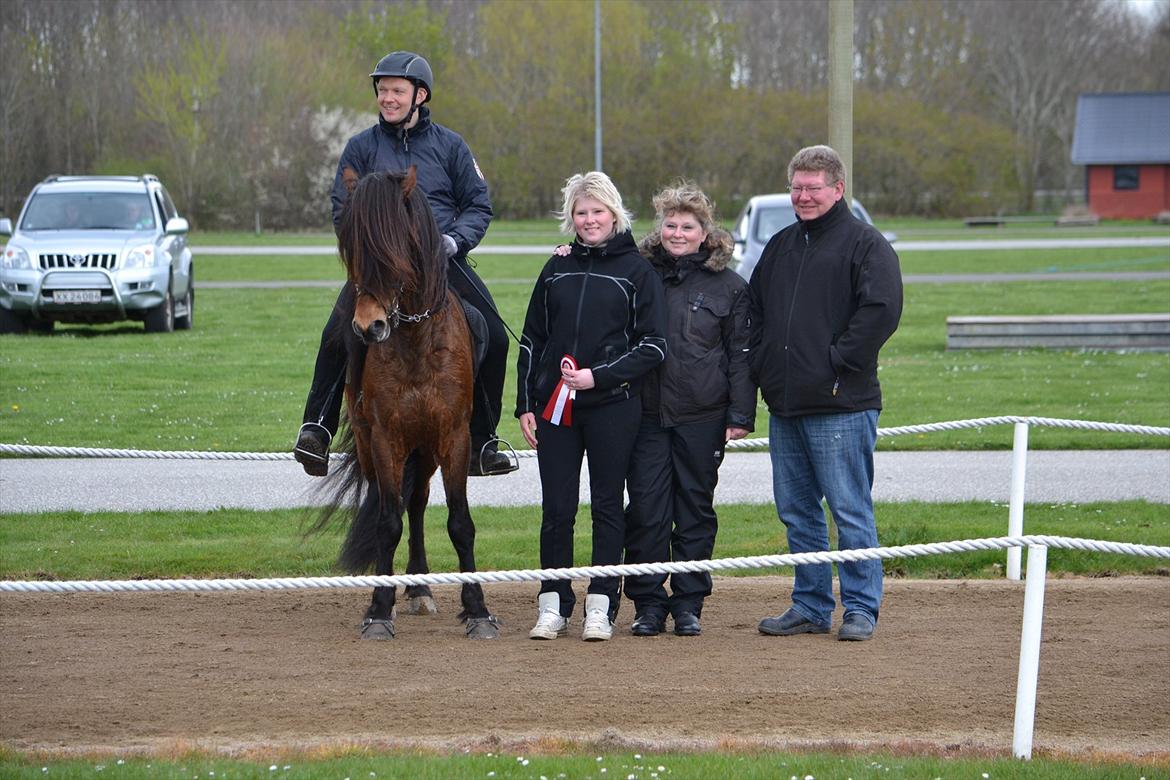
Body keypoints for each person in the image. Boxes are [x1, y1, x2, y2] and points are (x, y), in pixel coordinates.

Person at [293, 51, 515, 478]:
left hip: (441, 264)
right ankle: (317, 428)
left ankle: (483, 441)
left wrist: (454, 240)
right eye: (382, 91)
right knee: (337, 332)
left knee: (496, 337)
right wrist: (371, 248)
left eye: (396, 91)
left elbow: (478, 205)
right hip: (379, 269)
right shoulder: (360, 147)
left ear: (420, 94)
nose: (387, 99)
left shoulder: (451, 146)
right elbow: (343, 208)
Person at [750, 145, 902, 642]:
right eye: (797, 187)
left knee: (849, 510)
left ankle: (861, 607)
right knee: (796, 512)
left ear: (838, 189)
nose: (803, 196)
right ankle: (811, 604)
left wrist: (835, 363)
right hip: (786, 404)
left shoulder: (866, 244)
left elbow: (880, 312)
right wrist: (767, 372)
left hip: (842, 403)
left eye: (814, 188)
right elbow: (756, 315)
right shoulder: (780, 246)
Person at [517, 171, 667, 642]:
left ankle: (600, 604)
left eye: (597, 211)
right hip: (555, 411)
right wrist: (526, 402)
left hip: (613, 407)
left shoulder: (637, 271)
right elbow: (531, 340)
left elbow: (654, 346)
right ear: (571, 217)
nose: (589, 220)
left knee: (607, 507)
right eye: (581, 213)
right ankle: (553, 603)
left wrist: (597, 377)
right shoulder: (556, 267)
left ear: (614, 213)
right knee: (556, 509)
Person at [620, 182, 754, 638]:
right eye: (671, 225)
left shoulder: (730, 286)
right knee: (646, 511)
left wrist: (740, 414)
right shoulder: (637, 273)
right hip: (645, 415)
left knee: (695, 509)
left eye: (688, 226)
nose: (678, 233)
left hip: (702, 415)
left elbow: (741, 354)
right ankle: (648, 604)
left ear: (704, 232)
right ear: (660, 229)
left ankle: (689, 602)